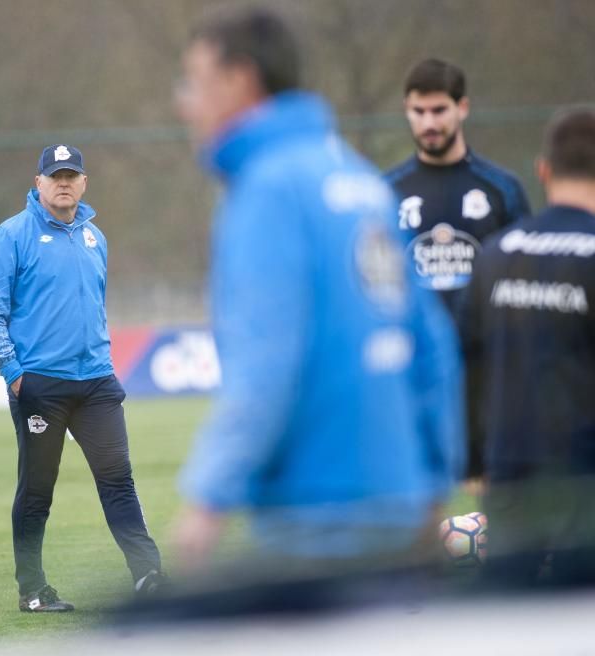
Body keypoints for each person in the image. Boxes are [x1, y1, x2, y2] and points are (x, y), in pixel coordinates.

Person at [171, 5, 464, 576]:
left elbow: (266, 360)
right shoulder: (358, 178)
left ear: (240, 79)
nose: (185, 101)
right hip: (397, 496)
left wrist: (208, 499)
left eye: (195, 82)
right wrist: (433, 479)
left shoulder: (267, 188)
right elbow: (431, 345)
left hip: (313, 507)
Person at [0, 144, 166, 612]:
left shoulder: (96, 238)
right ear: (37, 183)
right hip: (40, 386)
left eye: (71, 175)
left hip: (96, 383)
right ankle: (32, 590)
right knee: (37, 491)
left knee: (119, 481)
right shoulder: (10, 236)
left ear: (84, 183)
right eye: (54, 175)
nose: (63, 182)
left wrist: (104, 364)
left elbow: (93, 310)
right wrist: (16, 376)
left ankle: (149, 577)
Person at [458, 107, 595, 586]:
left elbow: (467, 367)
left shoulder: (494, 255)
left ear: (544, 170)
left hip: (508, 477)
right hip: (583, 485)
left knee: (514, 623)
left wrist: (476, 463)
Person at [385, 58, 531, 480]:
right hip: (414, 373)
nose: (429, 122)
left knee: (478, 498)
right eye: (419, 111)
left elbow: (523, 280)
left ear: (462, 108)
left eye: (439, 110)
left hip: (484, 373)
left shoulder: (501, 190)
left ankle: (474, 548)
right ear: (407, 111)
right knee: (420, 494)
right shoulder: (385, 192)